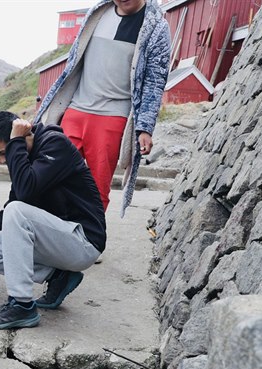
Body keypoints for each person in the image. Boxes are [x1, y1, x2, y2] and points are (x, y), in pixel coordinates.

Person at [0, 111, 106, 330]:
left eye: (3, 153)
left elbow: (24, 194)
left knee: (18, 212)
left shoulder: (54, 144)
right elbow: (13, 203)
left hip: (83, 241)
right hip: (57, 240)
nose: (2, 161)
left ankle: (21, 305)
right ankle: (58, 276)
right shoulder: (23, 156)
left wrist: (16, 143)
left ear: (24, 134)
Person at [35, 0, 170, 215]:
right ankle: (53, 234)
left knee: (96, 188)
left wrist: (145, 127)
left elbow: (155, 81)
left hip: (113, 118)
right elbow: (74, 59)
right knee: (53, 177)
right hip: (75, 111)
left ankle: (89, 241)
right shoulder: (97, 13)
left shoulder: (156, 27)